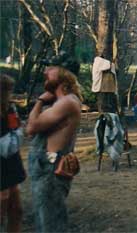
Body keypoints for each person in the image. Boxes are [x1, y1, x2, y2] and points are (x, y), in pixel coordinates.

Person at [26, 55, 82, 232]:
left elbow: (31, 127)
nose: (45, 71)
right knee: (45, 221)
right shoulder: (62, 101)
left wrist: (41, 101)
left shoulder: (67, 102)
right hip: (46, 167)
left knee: (51, 226)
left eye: (51, 68)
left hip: (50, 169)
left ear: (64, 74)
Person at [0, 75, 26, 233]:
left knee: (16, 209)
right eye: (7, 90)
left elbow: (15, 129)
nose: (10, 94)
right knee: (2, 200)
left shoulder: (10, 108)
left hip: (10, 160)